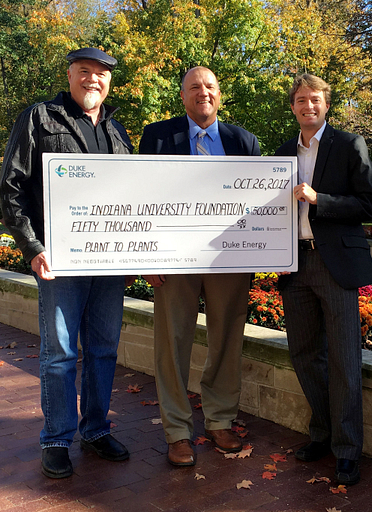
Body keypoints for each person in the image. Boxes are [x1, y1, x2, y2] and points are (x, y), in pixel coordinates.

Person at [0, 48, 133, 479]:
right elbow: (11, 188)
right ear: (70, 75)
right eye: (84, 72)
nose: (93, 79)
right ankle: (57, 437)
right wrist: (32, 246)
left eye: (101, 74)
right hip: (59, 261)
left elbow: (135, 198)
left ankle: (96, 429)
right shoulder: (40, 118)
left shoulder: (118, 131)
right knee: (59, 353)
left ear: (109, 81)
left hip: (110, 265)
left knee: (103, 350)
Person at [139, 66, 261, 467]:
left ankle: (220, 419)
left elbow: (259, 205)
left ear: (219, 94)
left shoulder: (244, 141)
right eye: (194, 87)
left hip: (228, 259)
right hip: (173, 258)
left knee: (227, 337)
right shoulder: (158, 136)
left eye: (209, 86)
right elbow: (142, 198)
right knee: (171, 342)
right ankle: (177, 431)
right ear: (183, 96)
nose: (202, 93)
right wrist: (146, 257)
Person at [275, 73, 372, 486]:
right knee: (304, 354)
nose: (308, 106)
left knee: (342, 359)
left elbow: (370, 202)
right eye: (301, 100)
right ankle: (322, 433)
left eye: (315, 99)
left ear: (326, 104)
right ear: (293, 107)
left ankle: (348, 450)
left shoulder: (350, 144)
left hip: (335, 264)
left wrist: (322, 200)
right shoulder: (282, 154)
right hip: (294, 264)